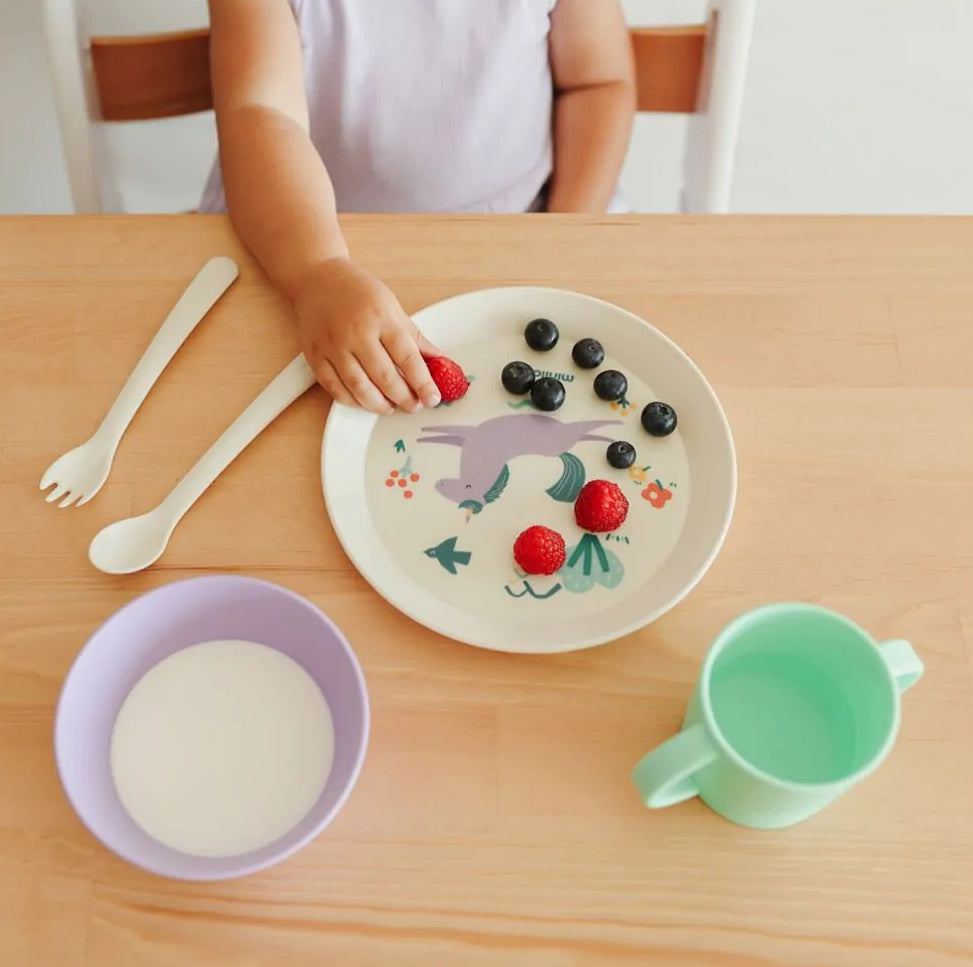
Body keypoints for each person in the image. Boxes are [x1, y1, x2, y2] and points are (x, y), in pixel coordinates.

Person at [204, 0, 635, 414]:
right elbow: (259, 112)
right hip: (304, 239)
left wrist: (564, 228)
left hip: (534, 224)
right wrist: (317, 270)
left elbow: (596, 85)